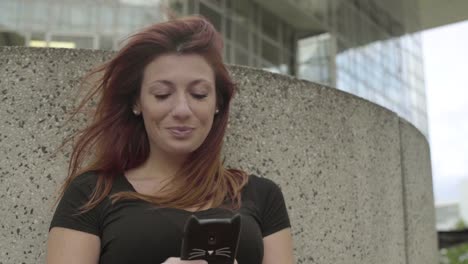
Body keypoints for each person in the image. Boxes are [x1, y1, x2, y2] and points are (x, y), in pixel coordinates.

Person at [46, 16, 294, 264]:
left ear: (217, 102)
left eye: (198, 94)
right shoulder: (92, 193)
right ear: (136, 102)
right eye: (162, 94)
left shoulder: (262, 195)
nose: (182, 110)